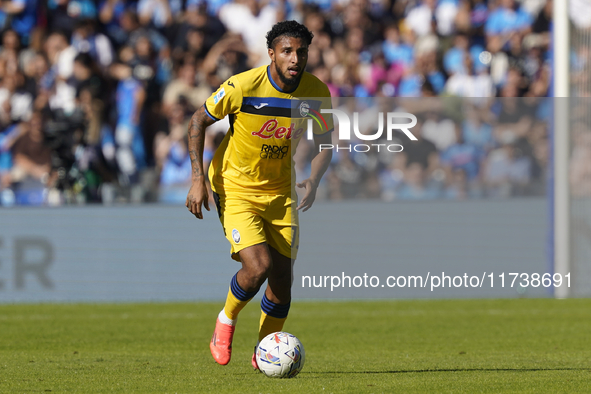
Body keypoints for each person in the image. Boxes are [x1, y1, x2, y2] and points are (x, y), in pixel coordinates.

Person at [185, 20, 333, 369]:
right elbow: (197, 121)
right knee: (259, 266)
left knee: (282, 282)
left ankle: (265, 352)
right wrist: (196, 178)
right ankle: (226, 320)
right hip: (236, 188)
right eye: (287, 51)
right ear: (272, 54)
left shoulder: (315, 93)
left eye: (301, 52)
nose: (295, 59)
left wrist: (314, 176)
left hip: (281, 193)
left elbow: (326, 141)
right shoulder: (243, 86)